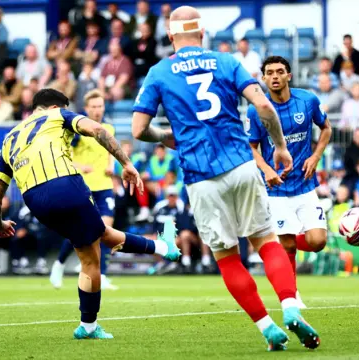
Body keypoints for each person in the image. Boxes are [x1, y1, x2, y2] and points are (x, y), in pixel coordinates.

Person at [131, 6, 319, 350]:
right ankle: (291, 307)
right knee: (266, 241)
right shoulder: (226, 61)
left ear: (171, 37)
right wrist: (279, 147)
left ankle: (267, 328)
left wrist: (165, 137)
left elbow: (138, 129)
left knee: (228, 256)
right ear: (202, 34)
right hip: (241, 164)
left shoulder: (159, 72)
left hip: (200, 176)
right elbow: (263, 106)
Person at [0, 88, 181, 339]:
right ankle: (162, 248)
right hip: (65, 184)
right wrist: (127, 164)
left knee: (94, 243)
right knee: (94, 255)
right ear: (56, 107)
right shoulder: (58, 116)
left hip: (35, 201)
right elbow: (98, 130)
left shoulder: (9, 138)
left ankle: (88, 324)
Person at [247, 55, 332, 308]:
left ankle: (285, 249)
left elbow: (326, 128)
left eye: (280, 71)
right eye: (269, 72)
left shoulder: (307, 100)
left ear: (289, 75)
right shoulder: (257, 109)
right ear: (263, 78)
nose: (275, 76)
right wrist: (266, 171)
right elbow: (251, 148)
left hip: (305, 185)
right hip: (276, 190)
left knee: (318, 242)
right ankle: (292, 296)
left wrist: (316, 156)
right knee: (286, 244)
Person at [50, 89, 118, 290]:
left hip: (104, 187)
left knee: (106, 231)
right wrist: (81, 167)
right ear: (87, 109)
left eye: (100, 106)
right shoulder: (78, 130)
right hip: (84, 187)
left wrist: (111, 166)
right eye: (94, 107)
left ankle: (102, 275)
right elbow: (63, 156)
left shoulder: (108, 128)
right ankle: (59, 265)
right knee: (79, 232)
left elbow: (111, 151)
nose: (98, 110)